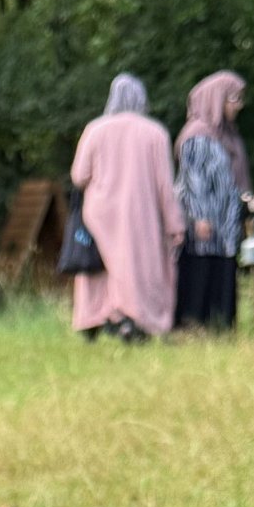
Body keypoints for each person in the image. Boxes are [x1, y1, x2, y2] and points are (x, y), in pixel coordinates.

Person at [69, 75, 183, 342]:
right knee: (136, 268)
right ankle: (134, 319)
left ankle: (94, 318)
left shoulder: (94, 129)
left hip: (98, 213)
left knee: (99, 269)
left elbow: (79, 175)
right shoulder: (155, 132)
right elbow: (165, 186)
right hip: (139, 215)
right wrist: (174, 224)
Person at [173, 70, 254, 332]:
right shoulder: (197, 135)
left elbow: (231, 180)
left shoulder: (227, 135)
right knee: (200, 269)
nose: (239, 106)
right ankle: (194, 324)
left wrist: (247, 201)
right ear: (216, 100)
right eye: (234, 99)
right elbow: (193, 181)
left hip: (225, 224)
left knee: (223, 270)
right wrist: (199, 218)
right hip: (204, 222)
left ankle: (220, 325)